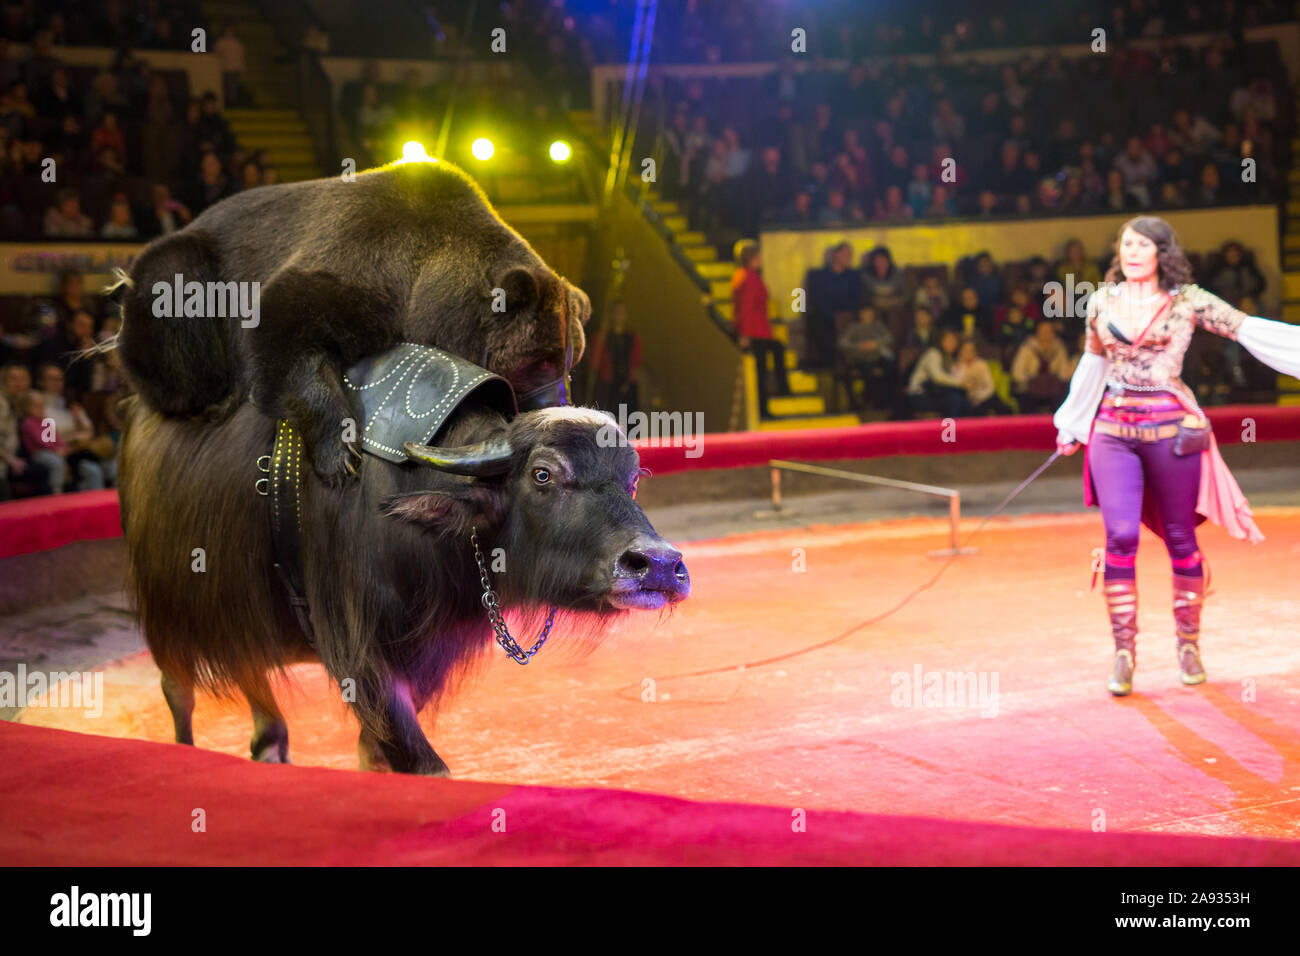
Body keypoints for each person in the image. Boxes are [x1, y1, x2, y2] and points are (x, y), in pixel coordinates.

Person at [1053, 216, 1300, 696]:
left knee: (1181, 539)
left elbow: (1249, 331)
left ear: (1161, 251)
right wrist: (1072, 423)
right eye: (1126, 243)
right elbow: (1094, 362)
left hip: (1171, 429)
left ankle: (1188, 644)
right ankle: (1124, 652)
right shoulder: (1101, 301)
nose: (1132, 251)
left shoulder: (1189, 300)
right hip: (1112, 429)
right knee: (1119, 535)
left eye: (1143, 244)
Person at [731, 242, 789, 419]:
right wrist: (745, 334)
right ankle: (764, 408)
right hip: (755, 332)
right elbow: (746, 308)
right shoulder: (748, 278)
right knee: (760, 372)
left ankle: (782, 390)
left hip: (759, 330)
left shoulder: (746, 276)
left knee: (776, 350)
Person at [587, 301, 643, 415]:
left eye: (622, 312)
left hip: (628, 384)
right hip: (609, 386)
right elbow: (594, 361)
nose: (619, 316)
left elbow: (636, 359)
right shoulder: (601, 338)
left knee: (630, 420)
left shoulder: (632, 337)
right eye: (617, 312)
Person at [837, 305, 896, 414]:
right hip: (861, 360)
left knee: (890, 368)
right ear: (860, 314)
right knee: (870, 373)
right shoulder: (854, 327)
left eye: (869, 312)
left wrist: (876, 344)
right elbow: (842, 343)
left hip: (877, 358)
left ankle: (887, 403)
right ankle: (868, 404)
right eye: (865, 313)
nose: (867, 315)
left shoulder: (878, 326)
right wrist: (859, 346)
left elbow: (889, 339)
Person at [907, 328, 969, 417]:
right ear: (941, 341)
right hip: (920, 395)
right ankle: (952, 430)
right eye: (948, 340)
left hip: (937, 394)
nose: (951, 343)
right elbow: (938, 377)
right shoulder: (933, 353)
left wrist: (962, 363)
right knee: (955, 400)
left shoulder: (950, 358)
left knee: (963, 401)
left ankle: (964, 429)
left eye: (954, 341)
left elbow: (956, 377)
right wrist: (959, 383)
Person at [1011, 321, 1071, 413]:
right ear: (1037, 333)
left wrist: (1056, 380)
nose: (1046, 335)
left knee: (1064, 395)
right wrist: (1030, 380)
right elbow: (1017, 372)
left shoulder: (1059, 348)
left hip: (1053, 389)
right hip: (1031, 388)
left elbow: (1064, 372)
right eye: (1043, 331)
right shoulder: (1027, 348)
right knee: (1025, 398)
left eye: (1049, 332)